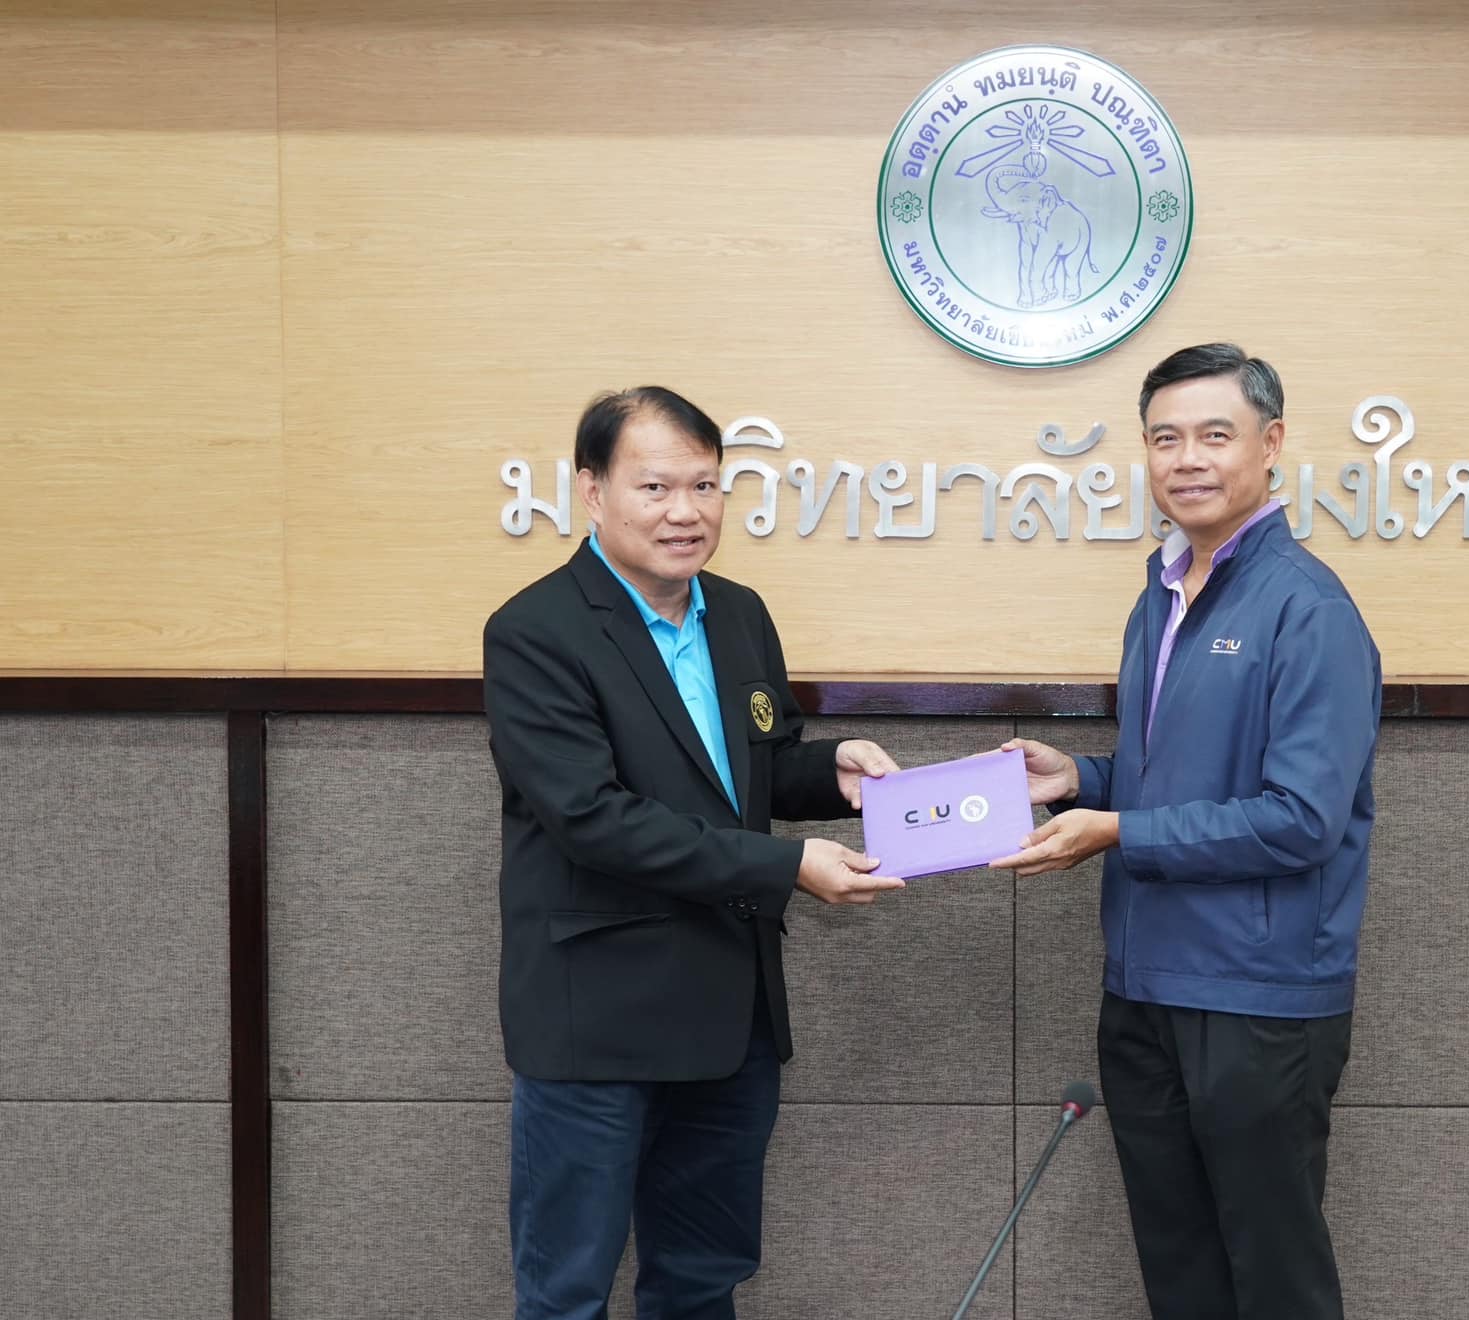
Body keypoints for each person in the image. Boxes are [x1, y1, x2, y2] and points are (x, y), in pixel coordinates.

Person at [482, 386, 904, 1320]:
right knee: (566, 1294)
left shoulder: (739, 614)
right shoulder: (536, 631)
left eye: (705, 486)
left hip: (729, 1021)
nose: (686, 512)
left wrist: (831, 769)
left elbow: (751, 769)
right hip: (598, 1024)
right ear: (592, 492)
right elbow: (592, 817)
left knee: (703, 1283)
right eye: (656, 487)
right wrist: (787, 868)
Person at [992, 344, 1381, 1319]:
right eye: (1165, 438)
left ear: (1271, 443)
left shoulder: (1308, 609)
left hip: (1255, 1000)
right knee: (1180, 1274)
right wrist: (1078, 781)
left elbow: (1301, 820)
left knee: (1275, 1281)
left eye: (1215, 434)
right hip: (1143, 992)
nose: (1187, 459)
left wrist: (1117, 829)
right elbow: (1179, 778)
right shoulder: (1161, 595)